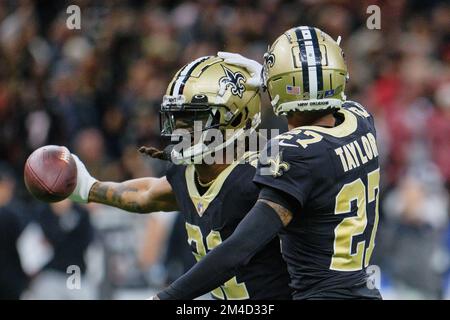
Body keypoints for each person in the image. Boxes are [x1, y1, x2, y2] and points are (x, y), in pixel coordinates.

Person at [153, 26, 383, 300]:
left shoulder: (293, 152)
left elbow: (240, 247)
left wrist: (167, 297)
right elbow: (327, 95)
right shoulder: (360, 120)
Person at [69, 56, 292, 300]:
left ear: (236, 118)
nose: (181, 130)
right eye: (178, 118)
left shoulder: (265, 172)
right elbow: (147, 195)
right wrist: (87, 187)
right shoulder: (187, 174)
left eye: (194, 119)